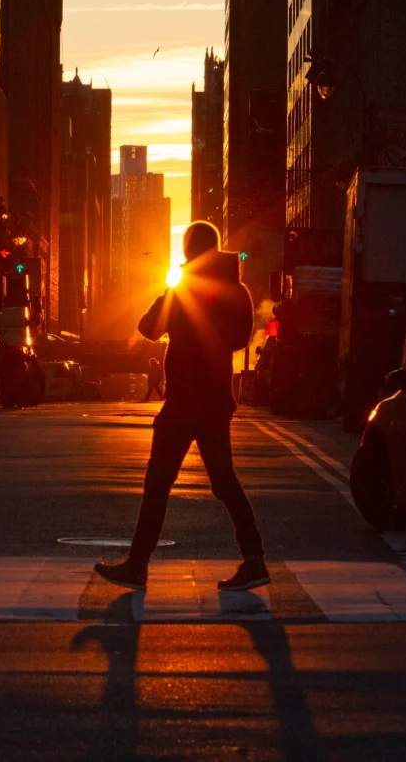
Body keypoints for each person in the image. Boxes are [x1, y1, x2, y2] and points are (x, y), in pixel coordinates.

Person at [95, 221, 268, 591]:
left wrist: (172, 290)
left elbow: (147, 327)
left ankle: (138, 564)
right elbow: (239, 338)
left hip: (183, 404)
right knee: (224, 481)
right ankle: (254, 559)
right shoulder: (237, 290)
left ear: (188, 252)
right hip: (216, 401)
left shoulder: (183, 289)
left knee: (158, 484)